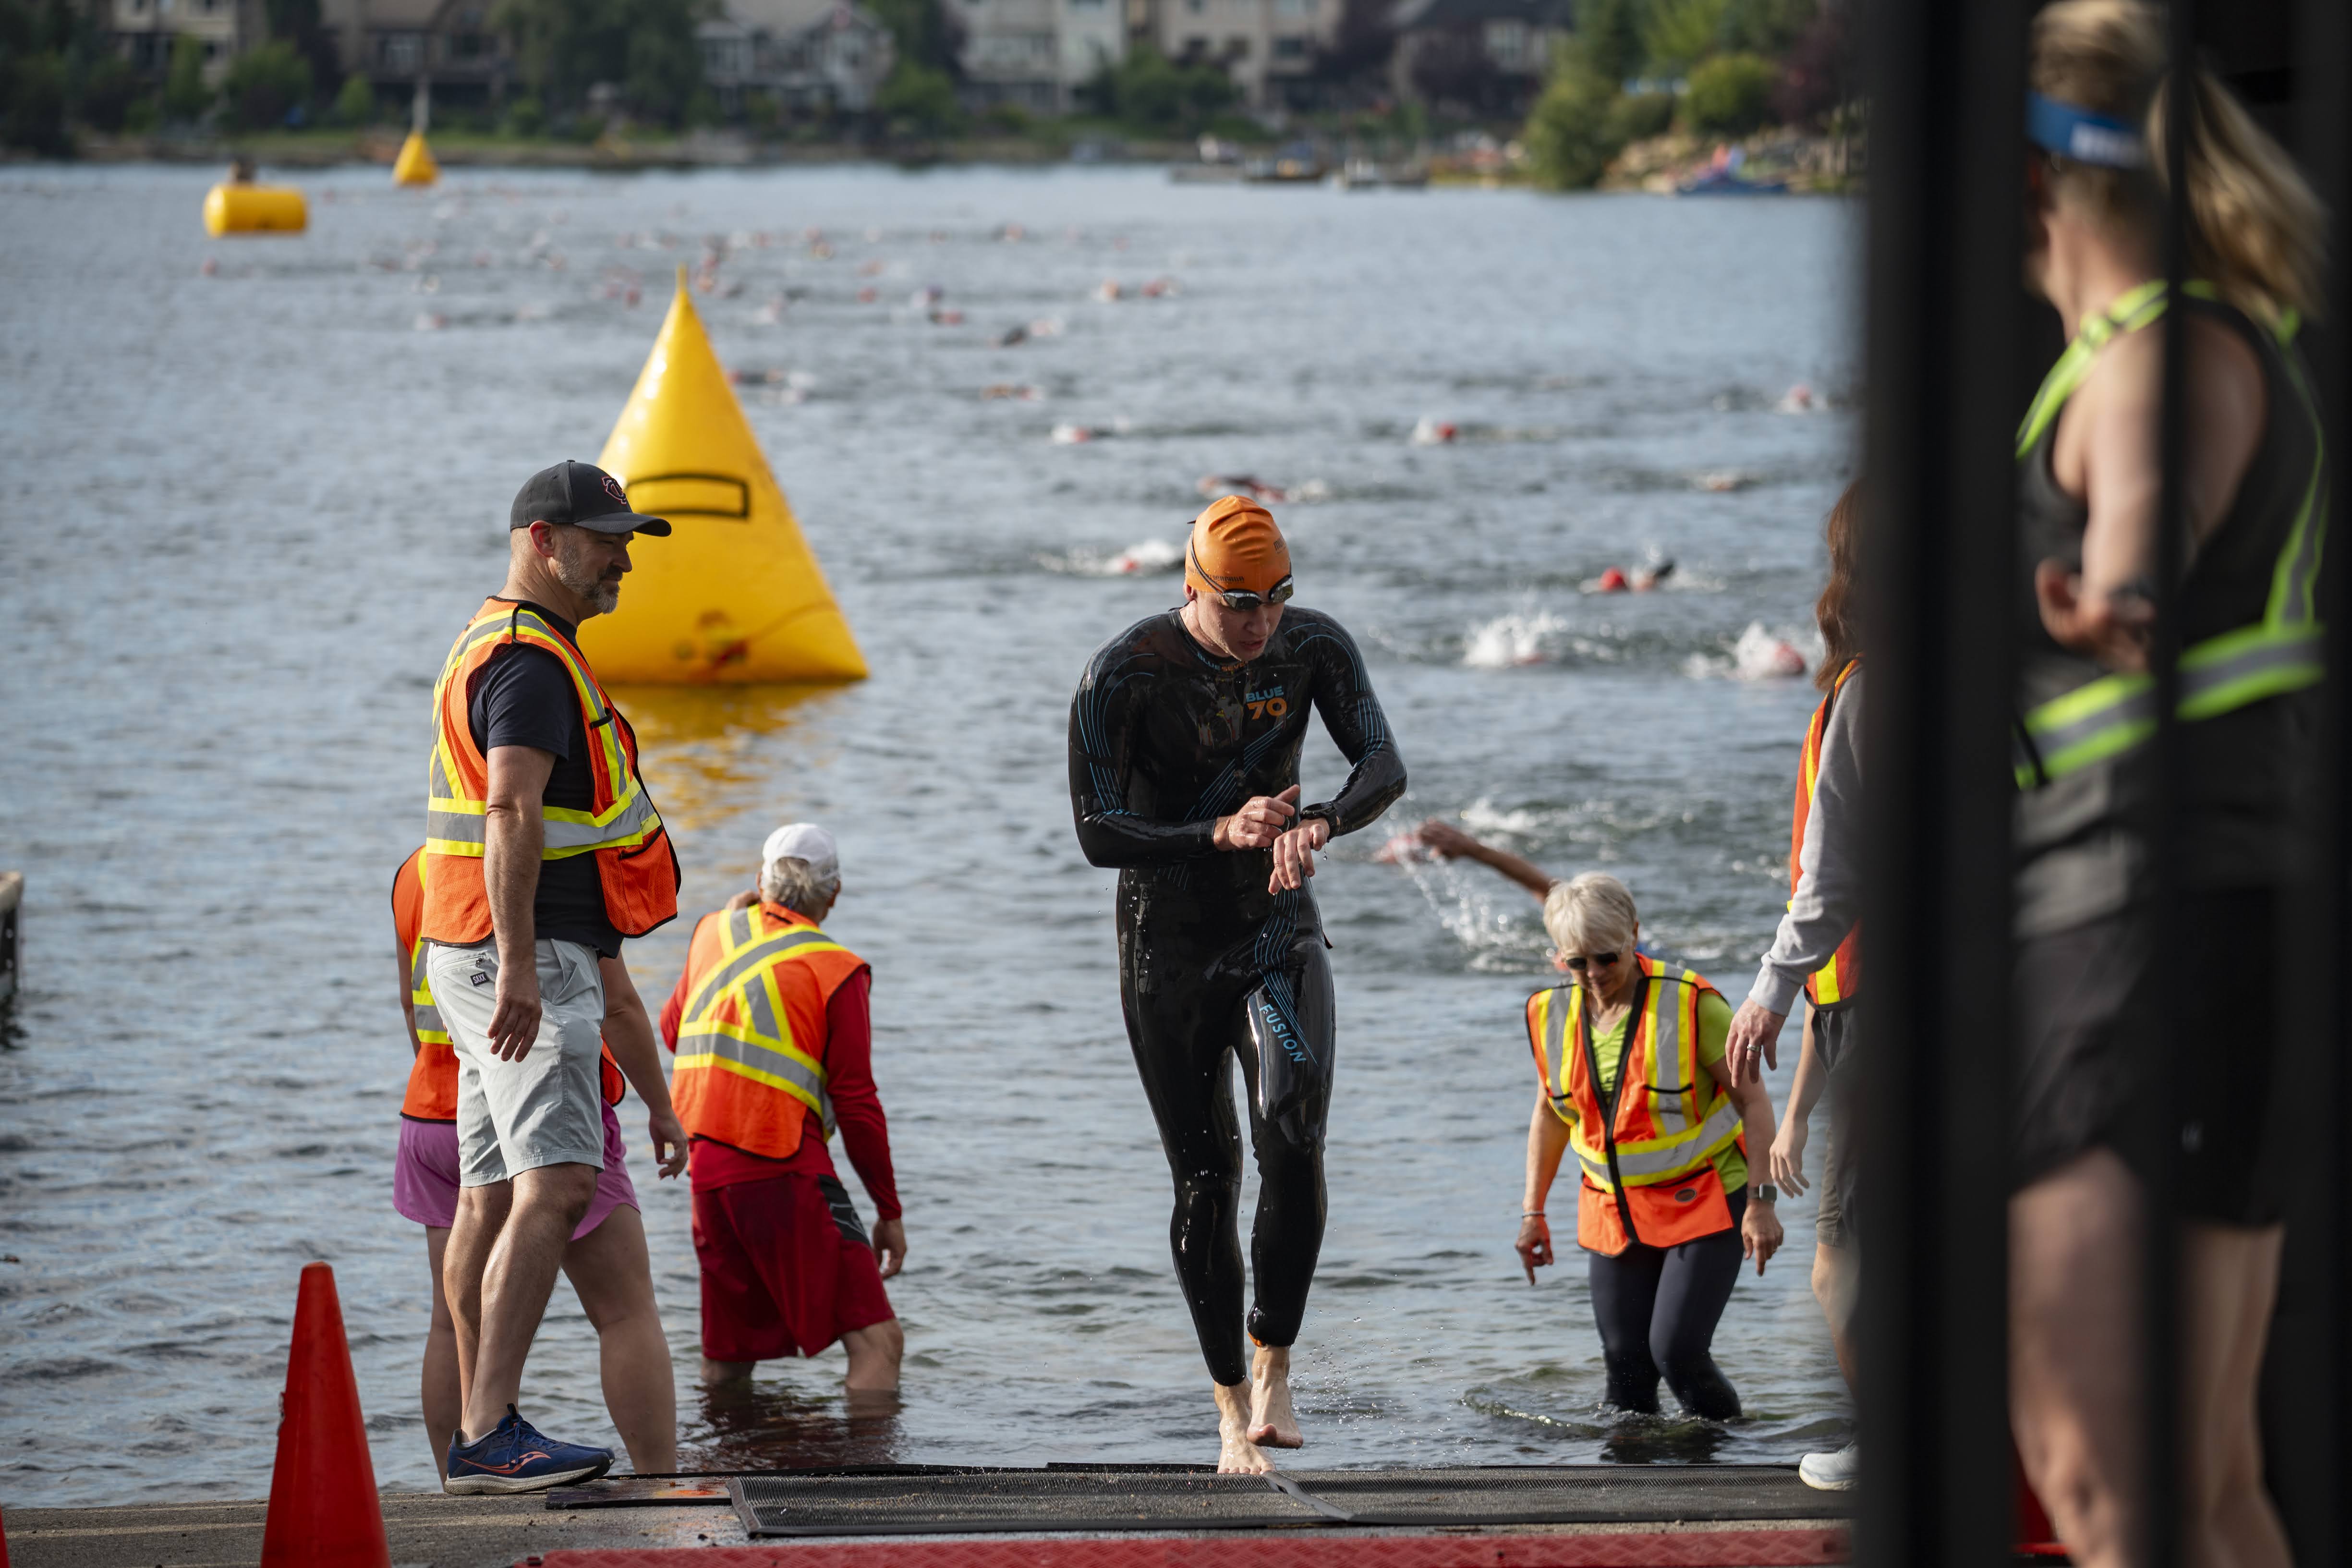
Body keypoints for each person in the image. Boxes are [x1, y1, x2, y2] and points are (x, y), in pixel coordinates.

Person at [2006, 7, 2326, 1566]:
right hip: (2209, 927)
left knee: (2105, 1486)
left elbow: (2139, 526)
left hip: (2131, 934)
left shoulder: (2153, 358)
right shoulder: (2184, 343)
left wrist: (2109, 598)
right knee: (2203, 1483)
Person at [1067, 495, 1406, 1472]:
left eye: (1275, 599)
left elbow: (1382, 764)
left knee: (1292, 1128)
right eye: (1239, 603)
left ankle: (1273, 1365)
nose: (1259, 622)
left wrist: (1322, 823)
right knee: (1206, 1177)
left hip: (1273, 932)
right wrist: (1213, 830)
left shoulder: (1314, 650)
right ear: (1193, 586)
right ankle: (1226, 1407)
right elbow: (1097, 831)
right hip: (1162, 949)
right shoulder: (1122, 673)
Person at [419, 459, 683, 1493]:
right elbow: (512, 813)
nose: (621, 556)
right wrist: (527, 964)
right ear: (542, 540)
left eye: (626, 538)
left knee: (487, 1194)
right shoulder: (531, 663)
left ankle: (479, 1434)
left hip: (473, 949)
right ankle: (491, 1430)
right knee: (562, 1180)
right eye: (604, 537)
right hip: (518, 956)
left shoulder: (497, 643)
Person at [1406, 832, 1783, 1417]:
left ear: (1633, 936)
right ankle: (1633, 1483)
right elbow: (1549, 1114)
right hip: (1613, 1209)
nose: (1594, 973)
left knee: (1675, 1351)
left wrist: (1761, 1202)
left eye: (1607, 958)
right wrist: (1532, 1212)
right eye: (1576, 962)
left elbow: (1755, 1104)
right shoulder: (1548, 1013)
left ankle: (1731, 1460)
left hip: (1706, 1201)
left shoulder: (1693, 1006)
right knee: (1624, 1362)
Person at [390, 847, 686, 1485]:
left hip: (433, 1109)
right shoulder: (540, 864)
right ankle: (661, 1484)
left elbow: (414, 1004)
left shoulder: (417, 870)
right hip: (530, 1098)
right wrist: (661, 1107)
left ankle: (462, 1475)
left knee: (450, 1322)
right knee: (625, 1310)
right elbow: (620, 1004)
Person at [1722, 481, 1865, 1491]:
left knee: (1842, 1258)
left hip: (1871, 1004)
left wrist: (1768, 987)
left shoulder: (1863, 694)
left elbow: (1829, 879)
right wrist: (1796, 1117)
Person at [657, 824, 906, 1400]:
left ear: (759, 883)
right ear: (833, 894)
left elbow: (674, 1031)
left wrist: (723, 927)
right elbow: (858, 1103)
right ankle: (876, 1488)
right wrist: (888, 1210)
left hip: (708, 1176)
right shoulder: (836, 968)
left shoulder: (711, 932)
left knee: (729, 1358)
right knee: (878, 1342)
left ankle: (720, 1472)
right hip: (783, 1166)